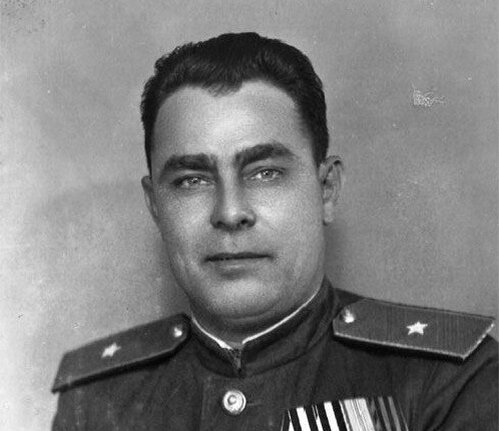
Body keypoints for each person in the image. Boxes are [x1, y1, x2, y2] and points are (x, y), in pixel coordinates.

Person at [51, 32, 498, 430]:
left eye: (265, 173)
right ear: (155, 206)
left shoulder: (448, 379)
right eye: (191, 180)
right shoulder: (96, 401)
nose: (230, 213)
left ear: (326, 190)